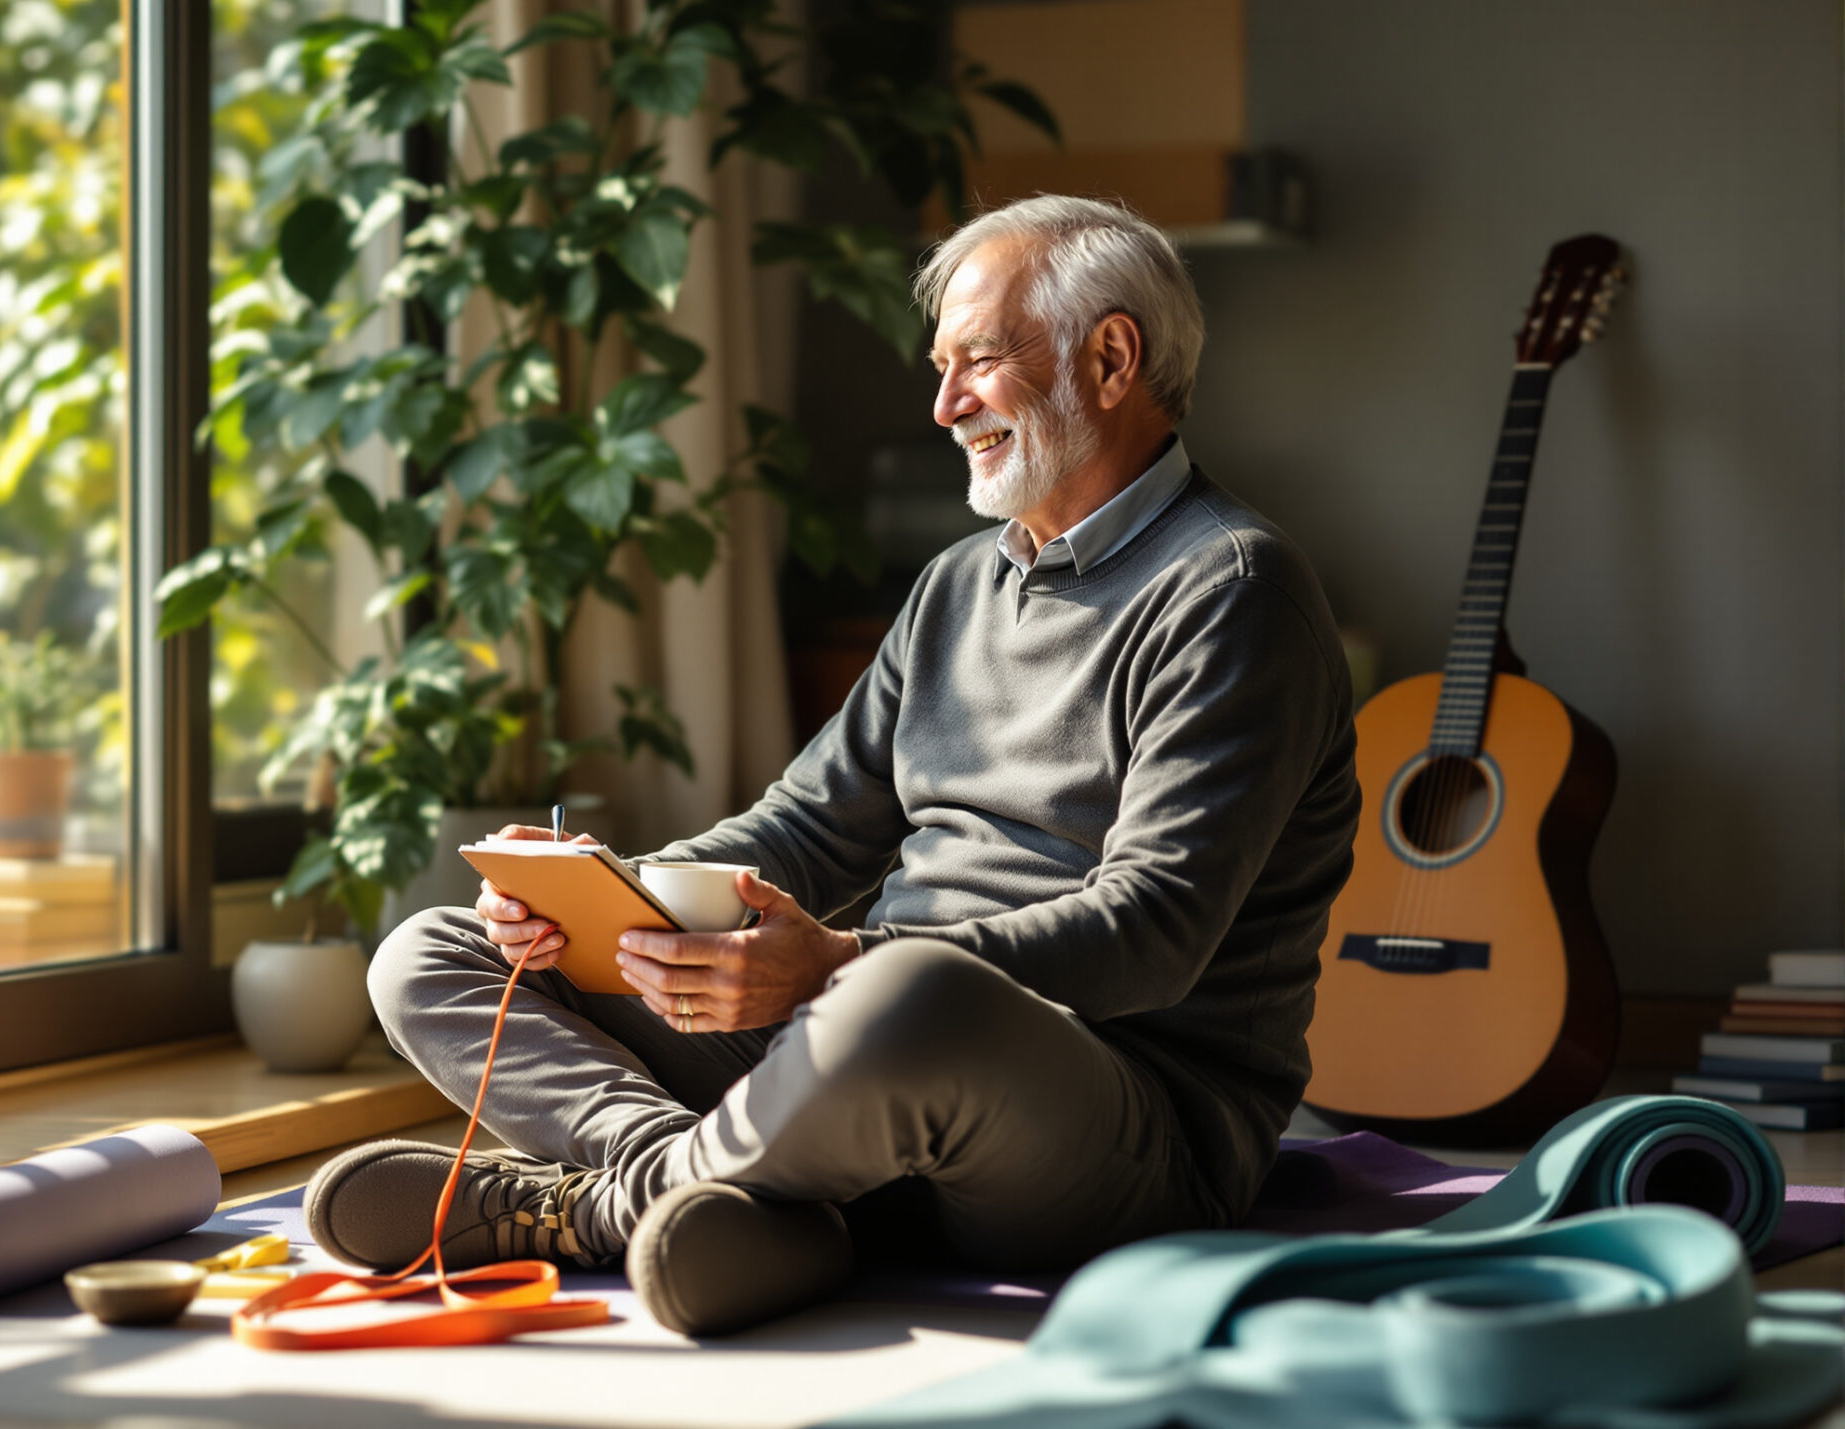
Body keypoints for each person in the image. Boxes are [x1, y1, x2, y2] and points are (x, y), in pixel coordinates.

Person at [303, 193, 1362, 1337]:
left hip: (1122, 1120)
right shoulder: (958, 583)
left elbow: (1152, 932)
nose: (945, 403)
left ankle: (598, 1208)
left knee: (910, 993)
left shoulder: (1233, 591)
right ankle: (731, 1197)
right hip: (861, 1042)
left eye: (980, 362)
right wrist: (603, 891)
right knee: (431, 951)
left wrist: (838, 966)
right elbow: (806, 829)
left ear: (1110, 358)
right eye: (941, 366)